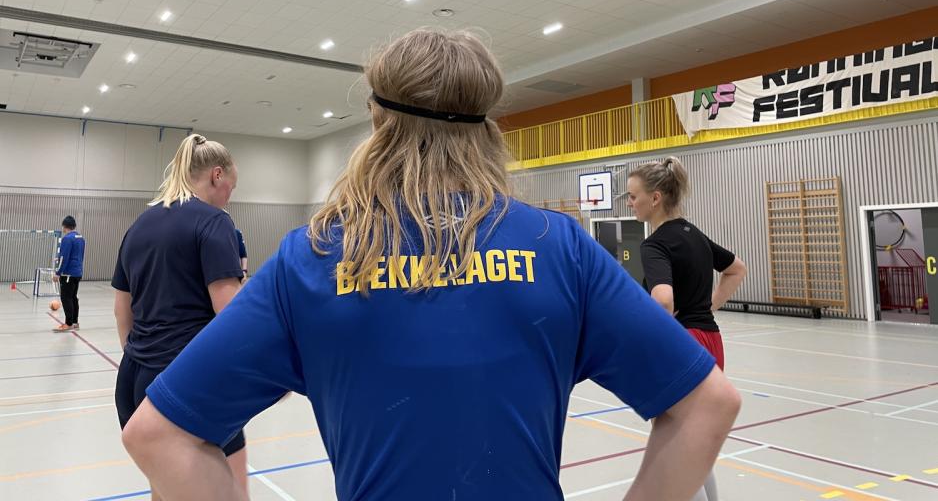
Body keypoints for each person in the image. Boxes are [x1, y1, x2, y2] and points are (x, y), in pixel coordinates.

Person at [121, 29, 740, 501]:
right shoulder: (560, 245)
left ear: (377, 121)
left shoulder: (312, 258)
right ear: (487, 125)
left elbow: (158, 434)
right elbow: (707, 405)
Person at [112, 134, 246, 500]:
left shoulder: (140, 223)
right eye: (231, 188)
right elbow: (231, 312)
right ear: (217, 176)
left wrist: (142, 354)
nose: (228, 198)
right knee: (233, 489)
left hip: (134, 381)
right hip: (186, 383)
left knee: (166, 490)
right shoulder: (216, 221)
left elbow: (122, 307)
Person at [627, 156, 748, 501]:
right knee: (696, 445)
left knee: (675, 449)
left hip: (681, 344)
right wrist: (708, 306)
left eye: (633, 196)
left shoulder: (654, 244)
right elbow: (737, 269)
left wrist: (645, 326)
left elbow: (663, 300)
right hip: (710, 340)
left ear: (656, 198)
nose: (630, 203)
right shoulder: (694, 235)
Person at [52, 215, 85, 333]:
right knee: (73, 297)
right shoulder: (80, 238)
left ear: (64, 226)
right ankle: (75, 322)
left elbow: (64, 258)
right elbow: (77, 255)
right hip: (77, 272)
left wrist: (58, 272)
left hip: (68, 274)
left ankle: (68, 323)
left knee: (66, 298)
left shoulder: (67, 239)